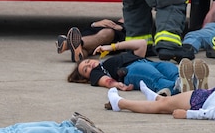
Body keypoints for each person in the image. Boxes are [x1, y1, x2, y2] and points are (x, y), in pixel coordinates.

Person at [67, 37, 199, 97]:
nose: (90, 65)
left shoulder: (107, 61)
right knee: (155, 77)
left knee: (170, 69)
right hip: (130, 71)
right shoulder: (97, 72)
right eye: (86, 69)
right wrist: (118, 85)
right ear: (86, 78)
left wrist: (112, 47)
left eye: (88, 61)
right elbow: (106, 81)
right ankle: (174, 88)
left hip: (147, 62)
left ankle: (187, 83)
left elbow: (141, 44)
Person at [55, 19, 125, 63]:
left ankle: (68, 44)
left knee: (108, 33)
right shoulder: (128, 13)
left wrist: (122, 28)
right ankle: (78, 56)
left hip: (114, 36)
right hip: (94, 31)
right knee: (85, 49)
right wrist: (95, 23)